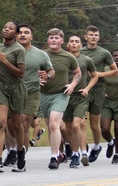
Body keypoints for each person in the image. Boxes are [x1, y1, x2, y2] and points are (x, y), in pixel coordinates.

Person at [40, 28, 80, 170]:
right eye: (51, 38)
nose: (53, 40)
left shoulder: (69, 57)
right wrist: (37, 78)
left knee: (53, 124)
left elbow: (77, 74)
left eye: (56, 38)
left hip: (61, 94)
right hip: (44, 95)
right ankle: (61, 151)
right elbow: (33, 71)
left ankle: (54, 157)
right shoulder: (42, 55)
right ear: (48, 40)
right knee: (51, 128)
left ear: (62, 41)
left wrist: (73, 84)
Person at [0, 21, 27, 173]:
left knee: (17, 125)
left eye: (10, 28)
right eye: (5, 27)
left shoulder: (19, 49)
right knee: (0, 122)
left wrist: (5, 61)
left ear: (16, 34)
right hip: (1, 88)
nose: (6, 30)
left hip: (16, 88)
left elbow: (21, 73)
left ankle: (20, 152)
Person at [18, 24, 53, 171]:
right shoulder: (8, 51)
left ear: (31, 36)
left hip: (32, 92)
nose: (23, 35)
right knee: (11, 125)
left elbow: (51, 71)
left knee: (24, 123)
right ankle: (14, 150)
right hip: (12, 92)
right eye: (20, 33)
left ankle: (21, 155)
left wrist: (48, 75)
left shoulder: (41, 54)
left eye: (26, 33)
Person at [81, 26, 118, 162]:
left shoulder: (104, 53)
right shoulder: (80, 51)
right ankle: (83, 150)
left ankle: (97, 147)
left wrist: (99, 74)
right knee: (81, 123)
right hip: (83, 89)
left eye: (96, 35)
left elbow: (115, 71)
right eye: (90, 35)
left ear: (99, 37)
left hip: (98, 89)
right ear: (86, 37)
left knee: (94, 125)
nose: (93, 37)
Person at [65, 35, 97, 167]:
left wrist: (87, 88)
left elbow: (95, 77)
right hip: (65, 96)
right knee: (68, 127)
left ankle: (77, 154)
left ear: (80, 45)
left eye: (76, 42)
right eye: (71, 41)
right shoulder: (63, 58)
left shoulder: (86, 60)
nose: (74, 44)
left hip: (81, 97)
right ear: (68, 44)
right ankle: (76, 151)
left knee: (76, 125)